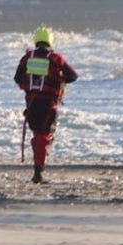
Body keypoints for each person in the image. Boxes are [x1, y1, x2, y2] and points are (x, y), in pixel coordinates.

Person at [14, 26, 79, 183]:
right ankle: (38, 173)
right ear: (50, 40)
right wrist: (61, 80)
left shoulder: (27, 57)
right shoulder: (56, 58)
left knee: (38, 135)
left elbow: (18, 78)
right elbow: (73, 75)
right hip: (49, 104)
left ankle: (38, 170)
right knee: (45, 136)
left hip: (32, 104)